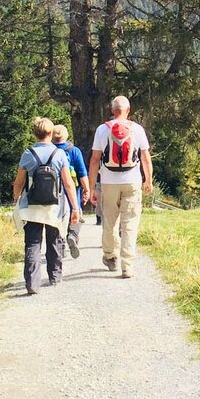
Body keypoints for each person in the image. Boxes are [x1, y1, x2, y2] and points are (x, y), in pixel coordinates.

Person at [13, 117, 80, 295]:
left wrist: (16, 198)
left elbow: (19, 182)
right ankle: (55, 276)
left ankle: (32, 283)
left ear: (35, 133)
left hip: (31, 207)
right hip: (54, 207)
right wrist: (75, 207)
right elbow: (68, 183)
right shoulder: (59, 154)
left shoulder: (28, 154)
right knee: (55, 240)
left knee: (32, 243)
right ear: (50, 134)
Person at [88, 96, 152, 279]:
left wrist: (92, 187)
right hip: (132, 181)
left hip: (108, 182)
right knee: (129, 223)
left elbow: (94, 160)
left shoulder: (102, 130)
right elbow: (145, 158)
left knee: (110, 222)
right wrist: (148, 180)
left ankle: (110, 256)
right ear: (128, 110)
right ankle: (127, 266)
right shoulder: (137, 129)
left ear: (112, 110)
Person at [51, 124, 90, 259]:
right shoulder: (74, 151)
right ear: (66, 135)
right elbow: (82, 173)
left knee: (57, 219)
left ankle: (59, 245)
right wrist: (86, 189)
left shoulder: (50, 150)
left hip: (53, 191)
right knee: (76, 213)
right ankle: (73, 235)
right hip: (73, 190)